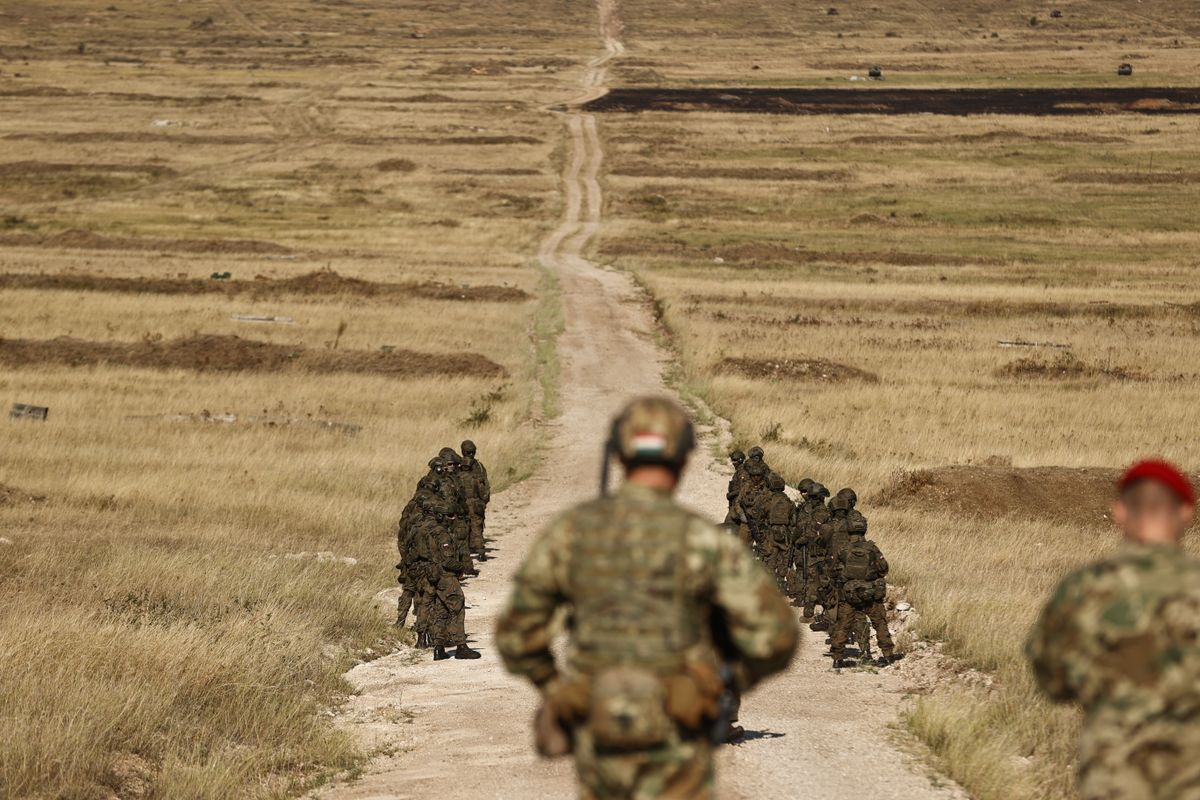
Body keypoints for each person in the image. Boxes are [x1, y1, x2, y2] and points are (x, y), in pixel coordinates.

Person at [496, 397, 799, 800]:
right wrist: (721, 687)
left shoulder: (572, 532)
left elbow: (517, 634)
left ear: (621, 456)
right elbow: (777, 637)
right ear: (682, 459)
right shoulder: (704, 540)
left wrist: (557, 691)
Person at [1027, 460, 1200, 800]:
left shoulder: (1084, 590)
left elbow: (1051, 681)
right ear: (1186, 514)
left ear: (1120, 512)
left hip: (1113, 779)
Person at [410, 498, 481, 661]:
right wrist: (464, 567)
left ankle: (438, 648)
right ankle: (461, 647)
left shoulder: (423, 529)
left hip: (429, 575)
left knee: (441, 610)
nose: (453, 519)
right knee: (457, 606)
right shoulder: (441, 534)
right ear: (441, 517)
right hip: (444, 576)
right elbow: (447, 561)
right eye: (449, 516)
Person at [829, 513, 895, 668]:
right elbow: (884, 569)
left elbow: (833, 572)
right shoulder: (872, 548)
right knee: (879, 622)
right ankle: (888, 655)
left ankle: (838, 658)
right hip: (870, 593)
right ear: (864, 529)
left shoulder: (843, 549)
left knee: (843, 624)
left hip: (850, 594)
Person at [459, 439, 492, 561]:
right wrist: (484, 501)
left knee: (463, 526)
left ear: (462, 451)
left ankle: (465, 551)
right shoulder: (479, 466)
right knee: (477, 527)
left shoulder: (457, 466)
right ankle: (480, 551)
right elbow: (485, 486)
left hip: (463, 503)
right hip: (477, 502)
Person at [723, 450, 747, 525]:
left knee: (728, 524)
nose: (733, 463)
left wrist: (731, 494)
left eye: (734, 461)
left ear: (740, 460)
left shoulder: (742, 472)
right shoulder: (739, 471)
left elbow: (743, 489)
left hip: (739, 504)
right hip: (736, 503)